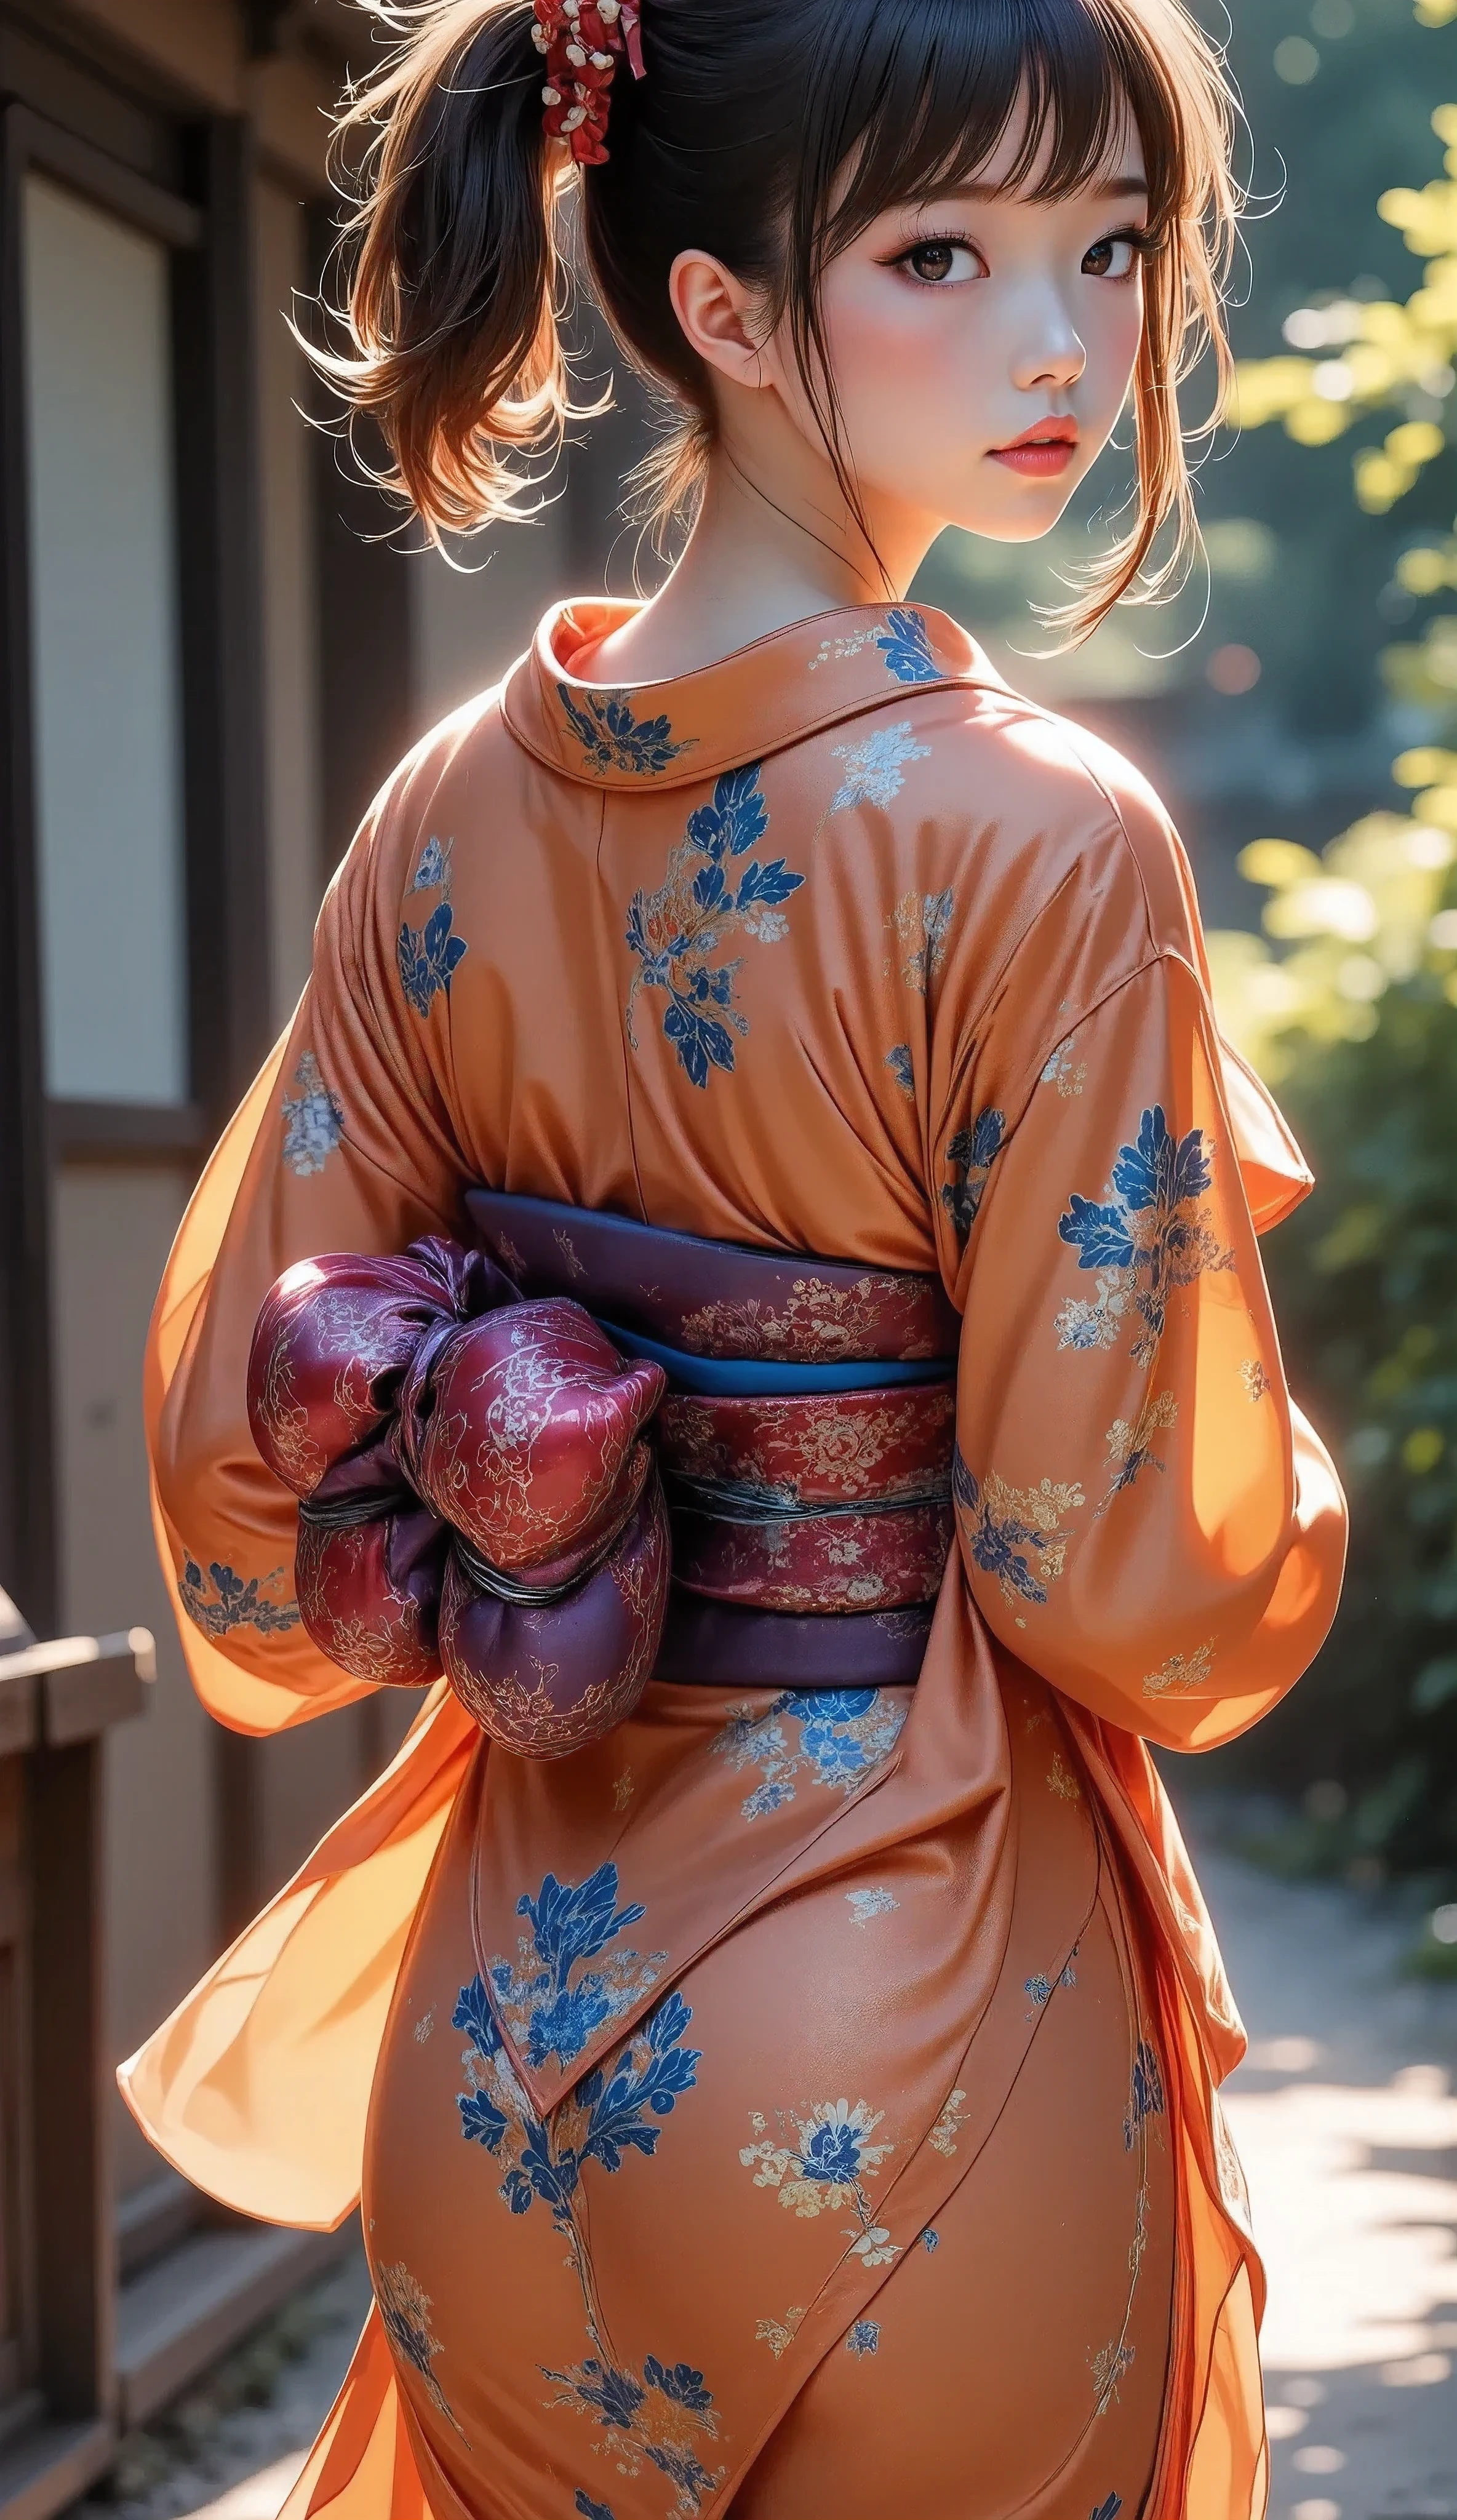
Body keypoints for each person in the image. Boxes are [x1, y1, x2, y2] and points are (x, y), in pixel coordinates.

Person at [122, 4, 1347, 2517]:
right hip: (912, 2038)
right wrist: (1277, 1499)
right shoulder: (1038, 833)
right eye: (942, 252)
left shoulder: (438, 817)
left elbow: (257, 1476)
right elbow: (1121, 1572)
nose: (1060, 339)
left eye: (1108, 248)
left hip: (506, 2047)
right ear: (713, 303)